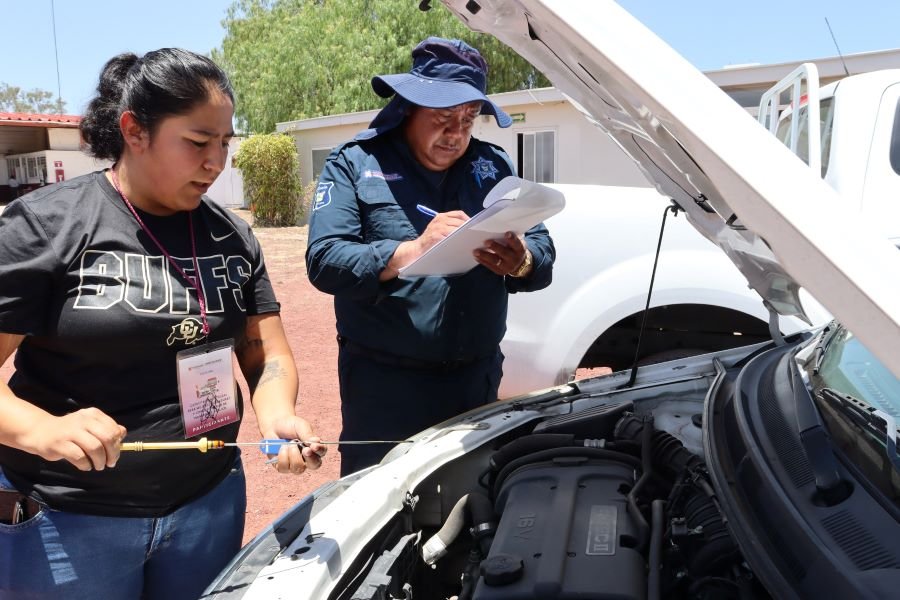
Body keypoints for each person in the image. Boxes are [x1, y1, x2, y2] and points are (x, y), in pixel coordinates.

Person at [0, 48, 326, 599]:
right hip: (70, 519)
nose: (216, 162)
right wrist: (41, 430)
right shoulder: (47, 225)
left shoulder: (232, 235)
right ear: (135, 131)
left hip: (208, 505)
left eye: (225, 143)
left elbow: (264, 352)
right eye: (198, 142)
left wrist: (277, 417)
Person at [306, 37, 556, 475]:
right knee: (379, 496)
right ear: (408, 109)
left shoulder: (493, 166)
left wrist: (521, 262)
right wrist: (413, 250)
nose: (456, 133)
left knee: (472, 493)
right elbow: (325, 260)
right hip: (384, 388)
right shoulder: (355, 162)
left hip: (474, 382)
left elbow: (542, 251)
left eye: (468, 119)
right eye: (443, 118)